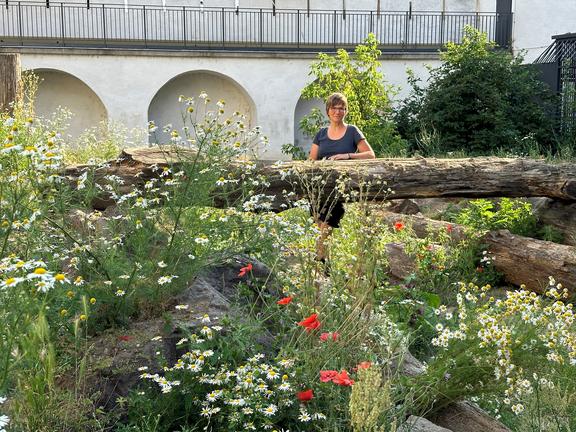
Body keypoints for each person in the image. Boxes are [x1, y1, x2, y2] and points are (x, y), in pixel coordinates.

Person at [308, 92, 376, 262]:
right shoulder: (321, 133)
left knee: (326, 226)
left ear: (346, 111)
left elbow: (370, 155)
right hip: (320, 187)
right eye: (334, 108)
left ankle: (319, 260)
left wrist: (347, 156)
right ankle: (325, 262)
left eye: (341, 108)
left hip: (341, 187)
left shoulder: (352, 131)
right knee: (320, 227)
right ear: (328, 111)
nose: (338, 111)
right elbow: (311, 160)